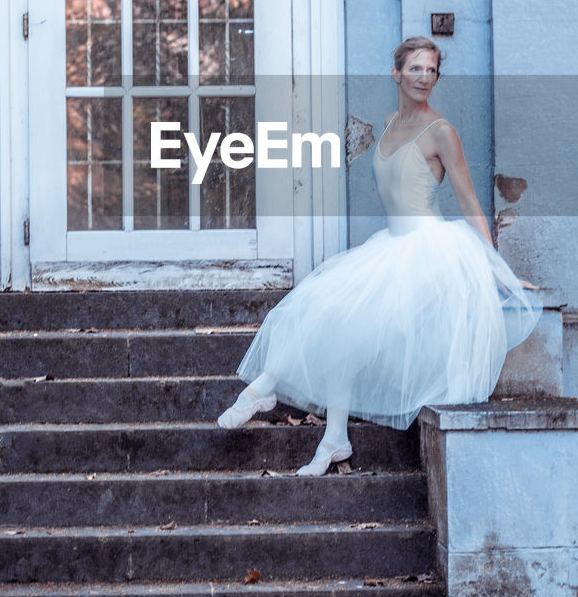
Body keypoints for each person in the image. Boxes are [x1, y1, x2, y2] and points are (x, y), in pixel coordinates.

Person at [216, 36, 542, 475]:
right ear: (396, 73)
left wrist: (498, 270)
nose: (424, 77)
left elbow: (469, 203)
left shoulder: (441, 132)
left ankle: (265, 391)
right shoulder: (389, 123)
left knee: (349, 328)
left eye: (431, 70)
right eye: (415, 69)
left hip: (429, 252)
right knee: (324, 311)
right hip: (391, 245)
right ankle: (331, 437)